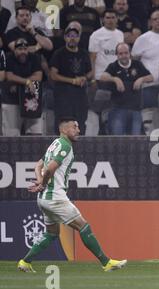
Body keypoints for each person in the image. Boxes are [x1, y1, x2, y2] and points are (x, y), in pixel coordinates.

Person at [18, 117, 127, 272]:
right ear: (64, 130)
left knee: (52, 233)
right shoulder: (65, 146)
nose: (78, 130)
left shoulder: (54, 144)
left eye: (78, 127)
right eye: (74, 127)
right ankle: (106, 262)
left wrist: (41, 181)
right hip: (55, 197)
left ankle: (25, 262)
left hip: (43, 198)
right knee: (83, 226)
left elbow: (38, 165)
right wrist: (42, 182)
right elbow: (49, 169)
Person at [100, 42, 153, 135]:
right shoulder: (113, 66)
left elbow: (151, 77)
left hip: (136, 110)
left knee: (135, 141)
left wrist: (141, 79)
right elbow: (103, 77)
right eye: (120, 54)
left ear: (130, 53)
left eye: (126, 53)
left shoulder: (137, 64)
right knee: (118, 141)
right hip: (118, 109)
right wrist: (115, 79)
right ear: (116, 55)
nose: (124, 56)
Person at [50, 22, 93, 135]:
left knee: (80, 124)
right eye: (69, 36)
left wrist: (84, 77)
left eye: (75, 36)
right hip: (63, 96)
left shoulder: (84, 53)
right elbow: (53, 75)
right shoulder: (59, 54)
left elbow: (90, 72)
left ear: (79, 38)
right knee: (63, 125)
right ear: (65, 38)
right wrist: (72, 81)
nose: (72, 39)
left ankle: (80, 151)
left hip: (80, 96)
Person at [131, 10, 159, 109]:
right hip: (150, 85)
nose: (158, 21)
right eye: (155, 19)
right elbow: (133, 62)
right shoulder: (142, 39)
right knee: (150, 118)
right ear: (150, 22)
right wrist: (140, 78)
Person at [2, 38, 43, 136]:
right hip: (11, 100)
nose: (23, 52)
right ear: (15, 50)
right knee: (11, 135)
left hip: (31, 100)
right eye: (20, 49)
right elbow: (9, 76)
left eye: (25, 49)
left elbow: (39, 76)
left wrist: (20, 82)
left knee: (35, 135)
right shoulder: (8, 58)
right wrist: (27, 81)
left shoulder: (34, 58)